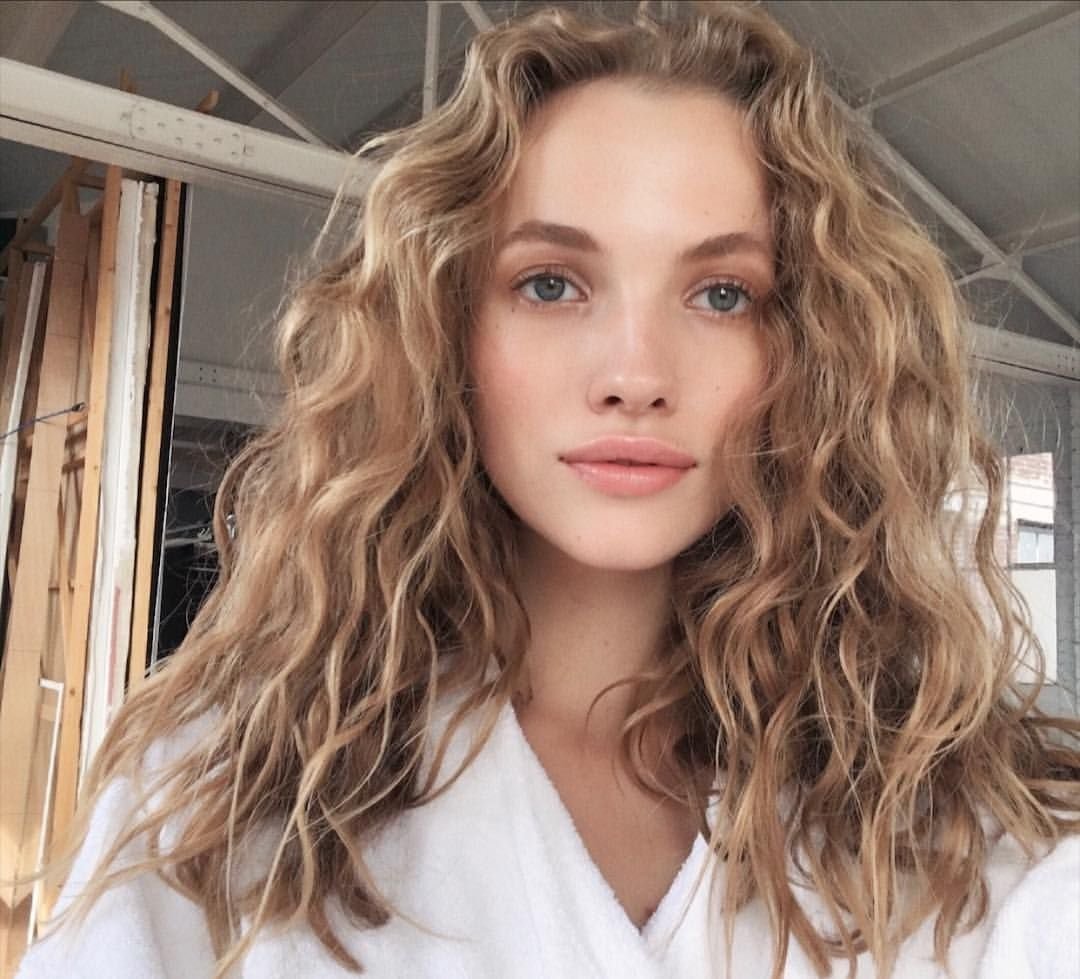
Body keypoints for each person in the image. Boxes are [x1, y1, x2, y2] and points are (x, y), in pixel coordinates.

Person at [16, 3, 1080, 978]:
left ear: (809, 349)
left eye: (722, 294)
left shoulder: (960, 824)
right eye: (551, 283)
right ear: (445, 329)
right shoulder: (223, 796)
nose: (635, 374)